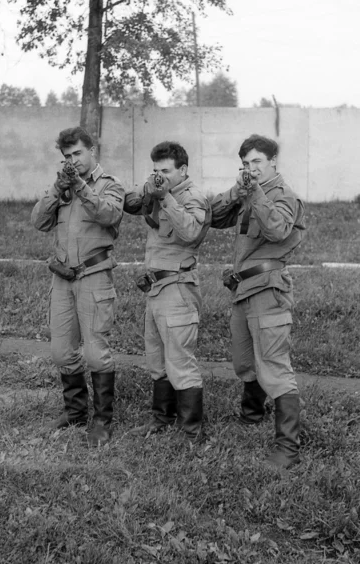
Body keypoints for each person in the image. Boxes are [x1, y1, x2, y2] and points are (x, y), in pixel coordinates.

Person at [211, 134, 306, 469]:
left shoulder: (283, 196)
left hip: (269, 289)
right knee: (244, 362)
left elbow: (277, 231)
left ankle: (287, 449)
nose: (251, 169)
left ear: (273, 161)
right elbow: (213, 216)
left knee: (274, 367)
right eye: (246, 164)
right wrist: (238, 190)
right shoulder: (248, 192)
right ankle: (252, 414)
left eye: (257, 162)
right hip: (242, 289)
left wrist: (256, 192)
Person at [31, 126, 125, 447]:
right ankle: (75, 411)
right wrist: (58, 188)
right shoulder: (62, 187)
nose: (73, 160)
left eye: (78, 154)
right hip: (62, 278)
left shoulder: (110, 186)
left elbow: (109, 214)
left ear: (92, 150)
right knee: (60, 352)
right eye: (67, 156)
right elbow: (38, 222)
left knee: (96, 353)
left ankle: (101, 421)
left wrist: (81, 187)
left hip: (94, 278)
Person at [124, 141, 211, 442]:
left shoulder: (193, 197)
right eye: (155, 170)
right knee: (157, 359)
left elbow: (190, 233)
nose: (160, 175)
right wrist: (150, 189)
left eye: (166, 170)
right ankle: (161, 418)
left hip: (178, 288)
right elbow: (130, 202)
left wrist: (166, 199)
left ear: (183, 169)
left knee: (180, 362)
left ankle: (191, 431)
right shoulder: (157, 189)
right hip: (156, 288)